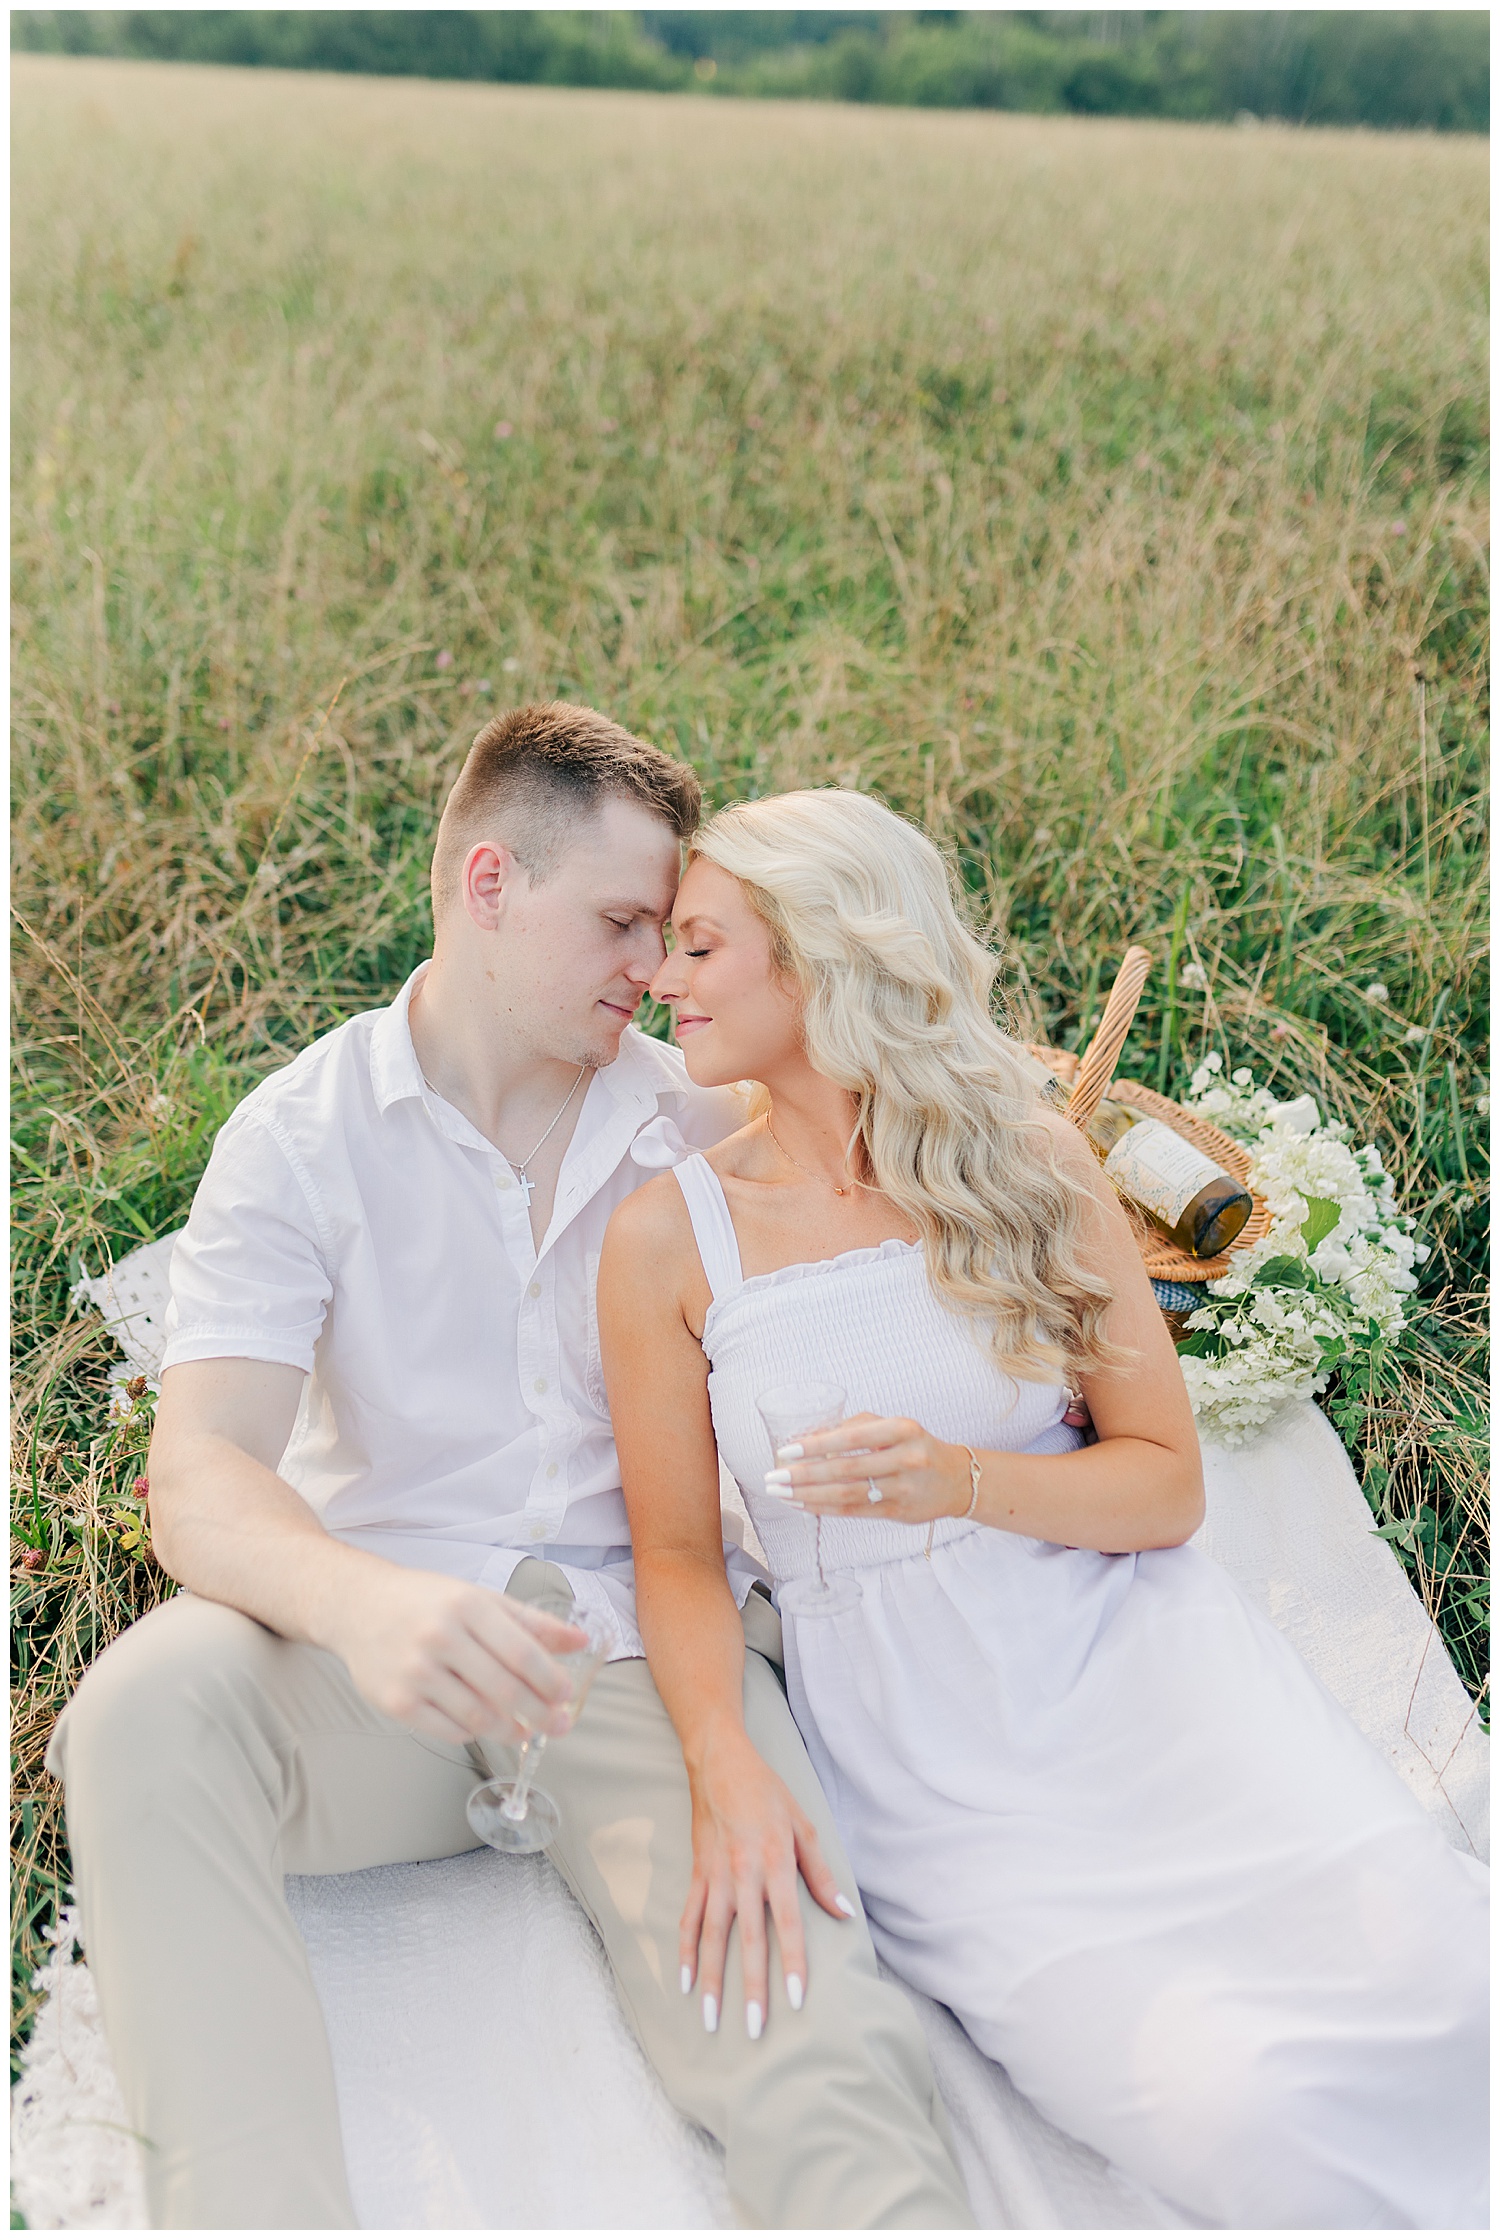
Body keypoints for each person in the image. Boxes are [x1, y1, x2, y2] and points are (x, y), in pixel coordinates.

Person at [48, 707, 975, 2232]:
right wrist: (361, 1607)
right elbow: (202, 1472)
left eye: (675, 935)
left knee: (823, 2054)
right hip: (381, 1664)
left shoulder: (700, 1115)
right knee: (144, 1712)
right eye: (622, 924)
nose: (655, 971)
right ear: (489, 883)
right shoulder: (301, 1136)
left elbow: (929, 1145)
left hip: (645, 1654)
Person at [597, 785, 1490, 2232]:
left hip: (1142, 1672)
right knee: (1243, 2111)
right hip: (933, 1752)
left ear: (818, 959)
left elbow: (1164, 1484)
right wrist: (726, 1765)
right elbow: (678, 1553)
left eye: (700, 947)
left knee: (1455, 1988)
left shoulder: (1020, 1156)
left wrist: (957, 1482)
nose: (658, 977)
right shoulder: (664, 1241)